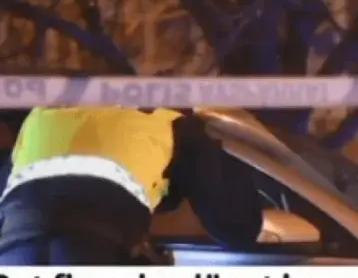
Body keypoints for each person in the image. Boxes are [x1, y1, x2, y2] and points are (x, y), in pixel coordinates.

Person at [0, 106, 264, 265]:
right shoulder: (169, 124)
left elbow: (26, 194)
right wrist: (220, 157)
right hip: (92, 249)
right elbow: (238, 230)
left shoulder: (42, 117)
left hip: (13, 249)